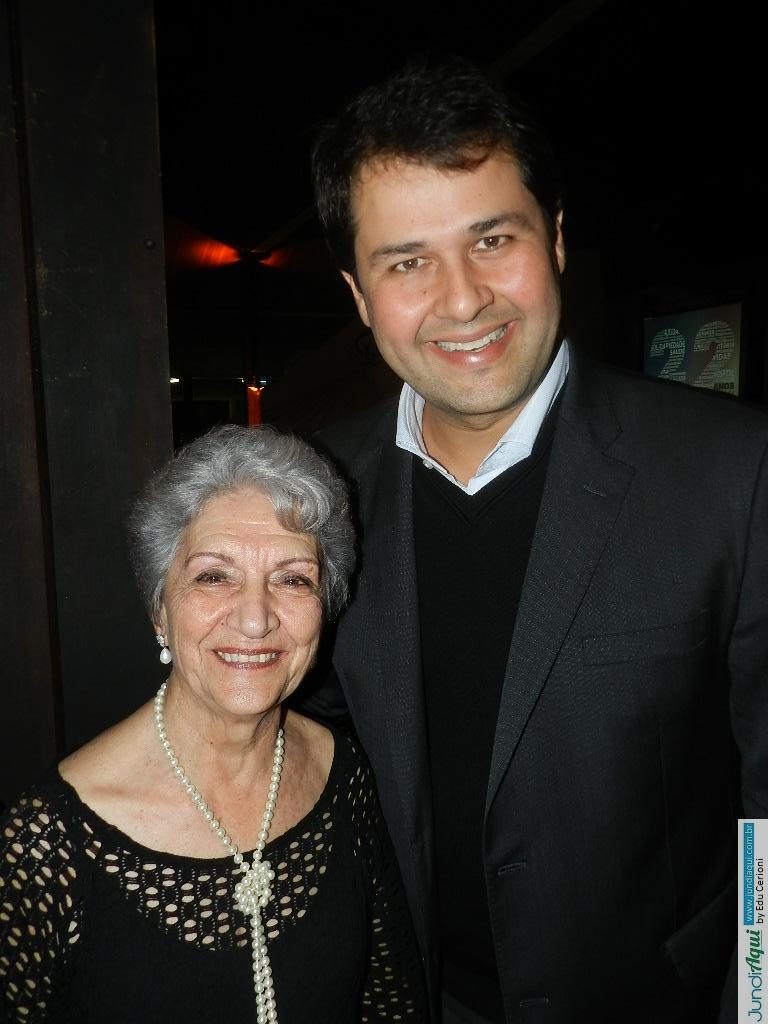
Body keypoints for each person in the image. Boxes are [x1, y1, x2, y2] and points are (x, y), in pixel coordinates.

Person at [307, 51, 768, 1023]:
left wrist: (759, 1000)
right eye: (407, 262)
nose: (463, 298)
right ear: (358, 295)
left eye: (492, 238)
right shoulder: (313, 491)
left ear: (554, 238)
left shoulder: (734, 470)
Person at [0, 423, 427, 1023]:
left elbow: (391, 1002)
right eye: (213, 576)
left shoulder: (344, 771)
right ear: (160, 608)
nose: (255, 619)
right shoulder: (46, 841)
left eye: (292, 579)